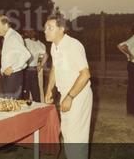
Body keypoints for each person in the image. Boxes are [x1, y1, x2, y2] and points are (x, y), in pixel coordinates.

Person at [44, 14, 92, 159]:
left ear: (62, 29)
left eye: (50, 28)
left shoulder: (73, 46)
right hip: (66, 94)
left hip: (78, 95)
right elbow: (54, 68)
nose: (45, 31)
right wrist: (49, 90)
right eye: (45, 28)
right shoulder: (54, 46)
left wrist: (70, 97)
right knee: (68, 134)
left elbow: (85, 74)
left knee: (76, 138)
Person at [0, 15, 30, 99]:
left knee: (12, 104)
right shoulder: (8, 37)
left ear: (5, 25)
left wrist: (12, 68)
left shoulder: (13, 37)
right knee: (9, 103)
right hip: (9, 76)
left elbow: (26, 54)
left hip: (14, 76)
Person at [23, 29, 48, 102]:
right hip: (29, 69)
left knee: (32, 91)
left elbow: (43, 55)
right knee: (30, 91)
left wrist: (40, 65)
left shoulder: (38, 44)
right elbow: (43, 55)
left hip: (30, 69)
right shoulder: (27, 42)